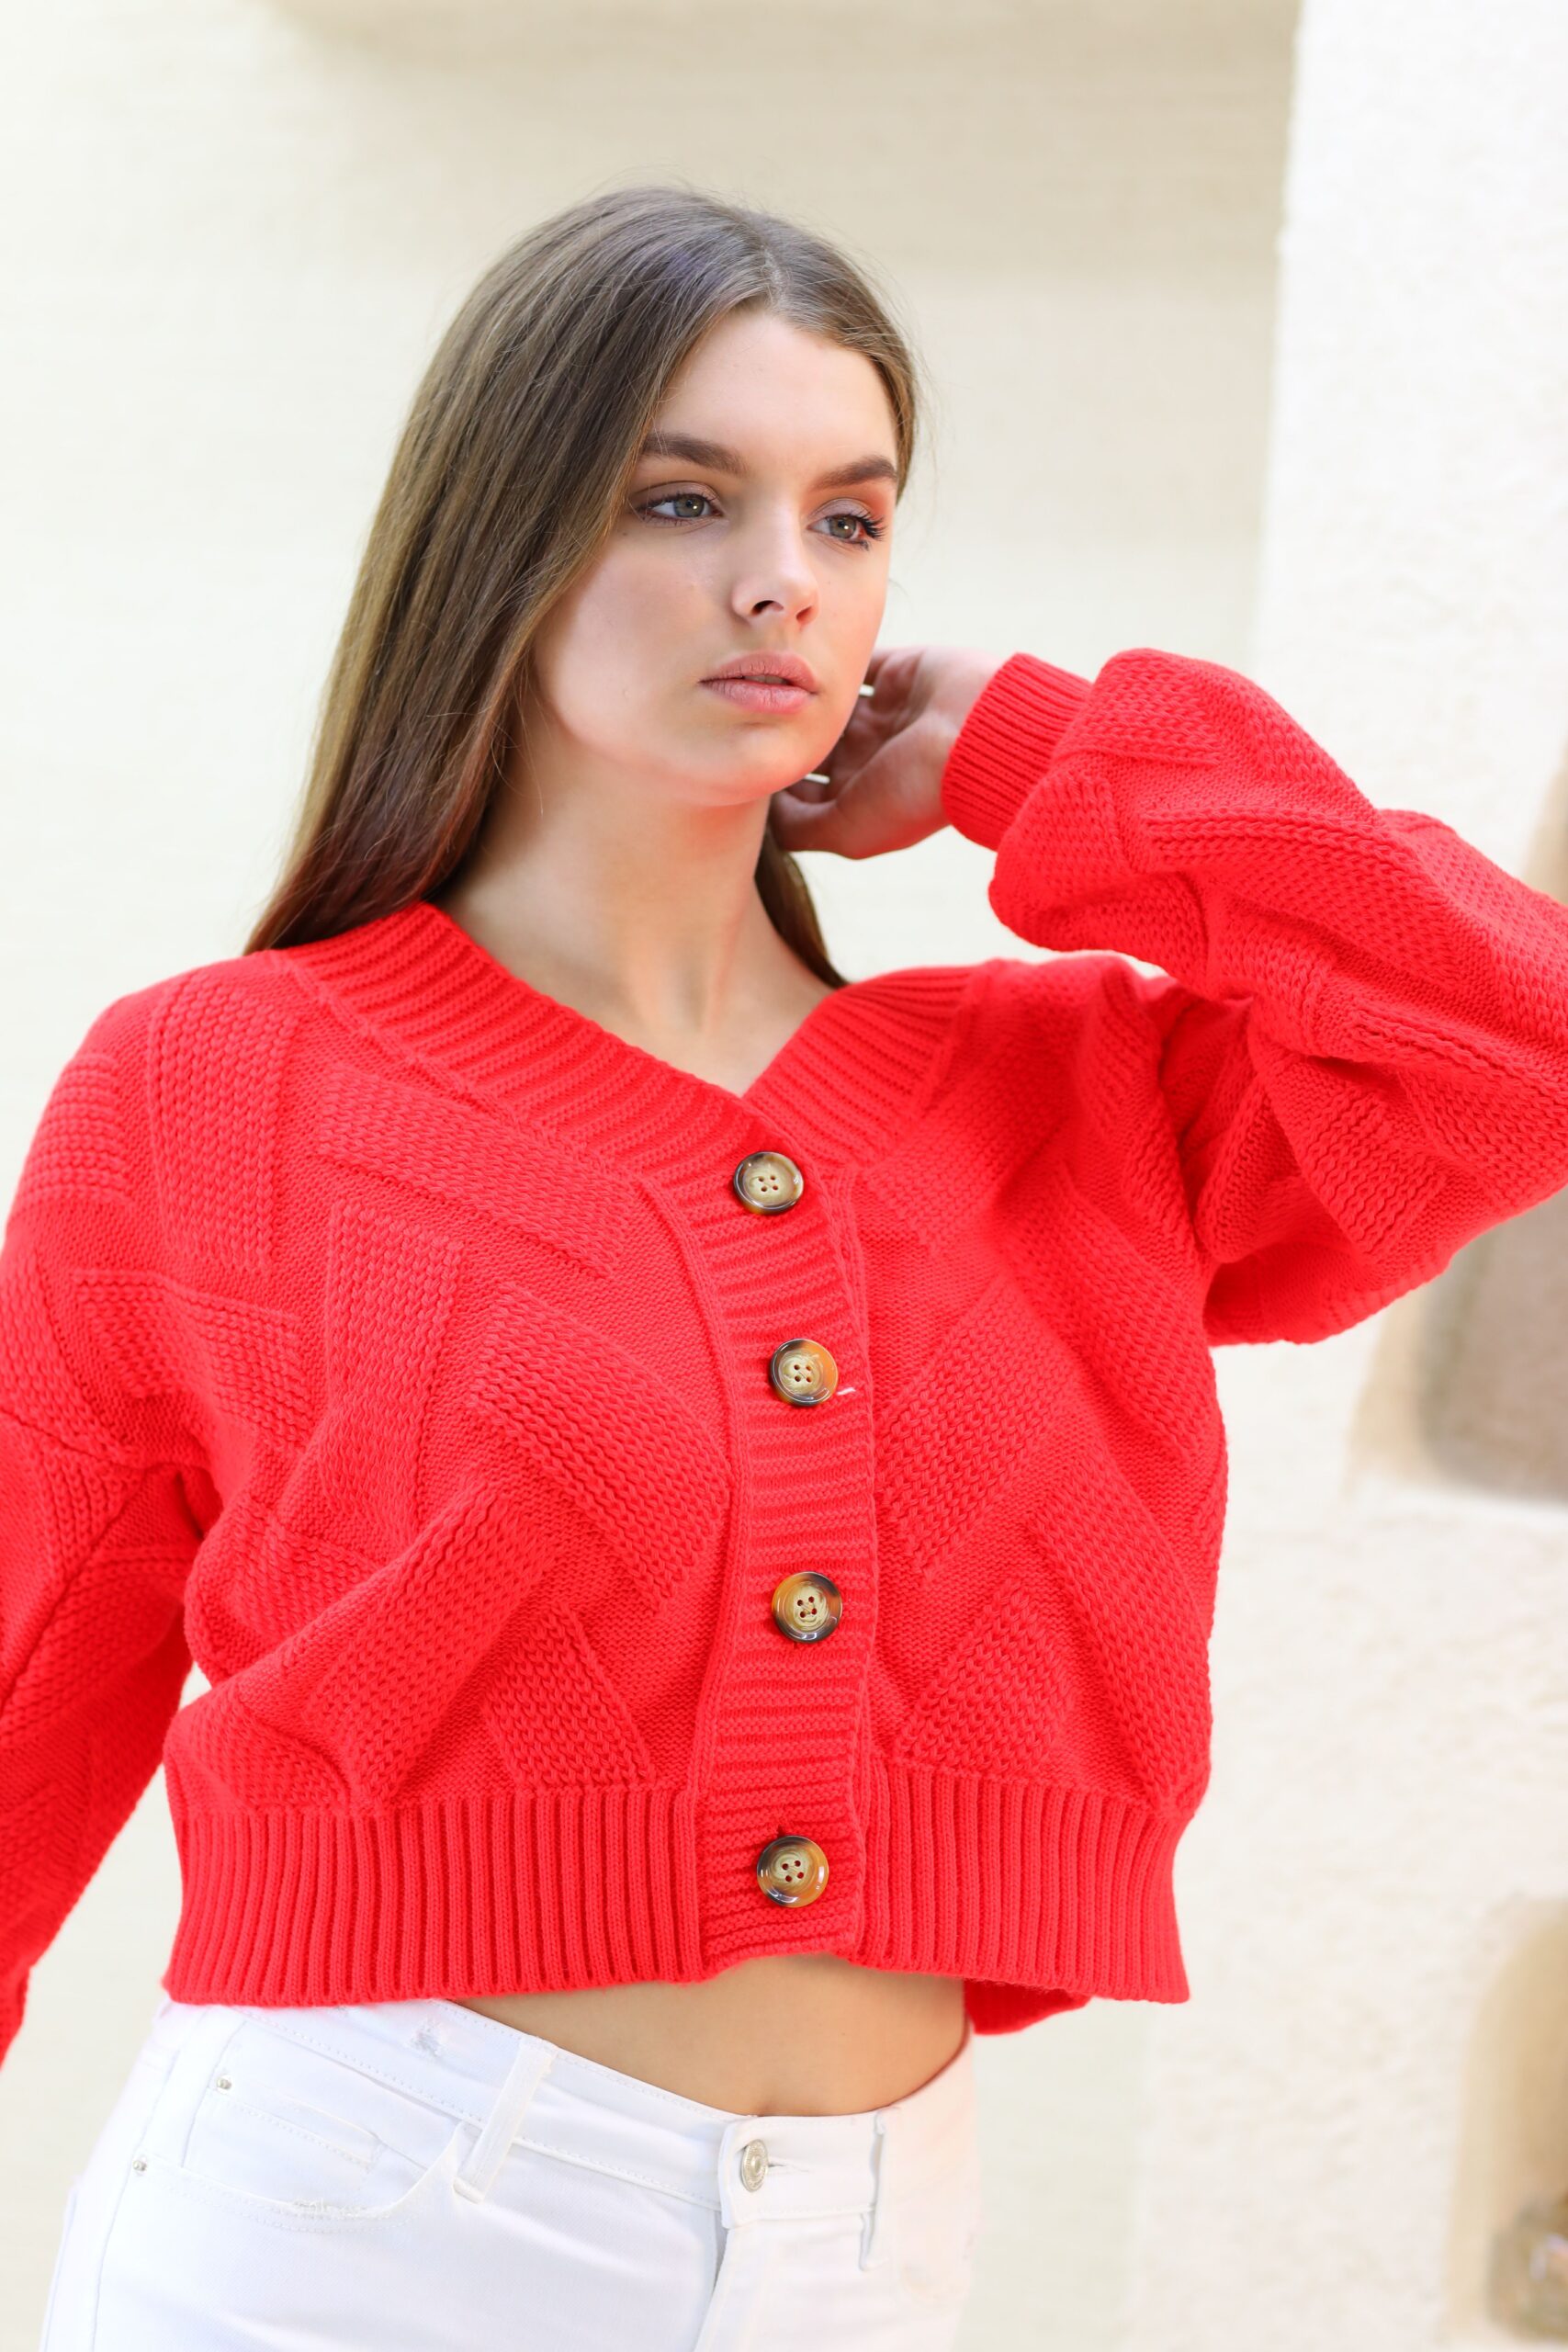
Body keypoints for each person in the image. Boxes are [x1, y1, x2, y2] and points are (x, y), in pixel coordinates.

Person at [9, 182, 1568, 2350]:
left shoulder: (1070, 1099)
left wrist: (1035, 749)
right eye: (683, 499)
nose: (781, 580)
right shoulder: (219, 1084)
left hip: (864, 2249)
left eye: (849, 516)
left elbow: (1512, 1037)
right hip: (352, 2217)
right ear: (500, 541)